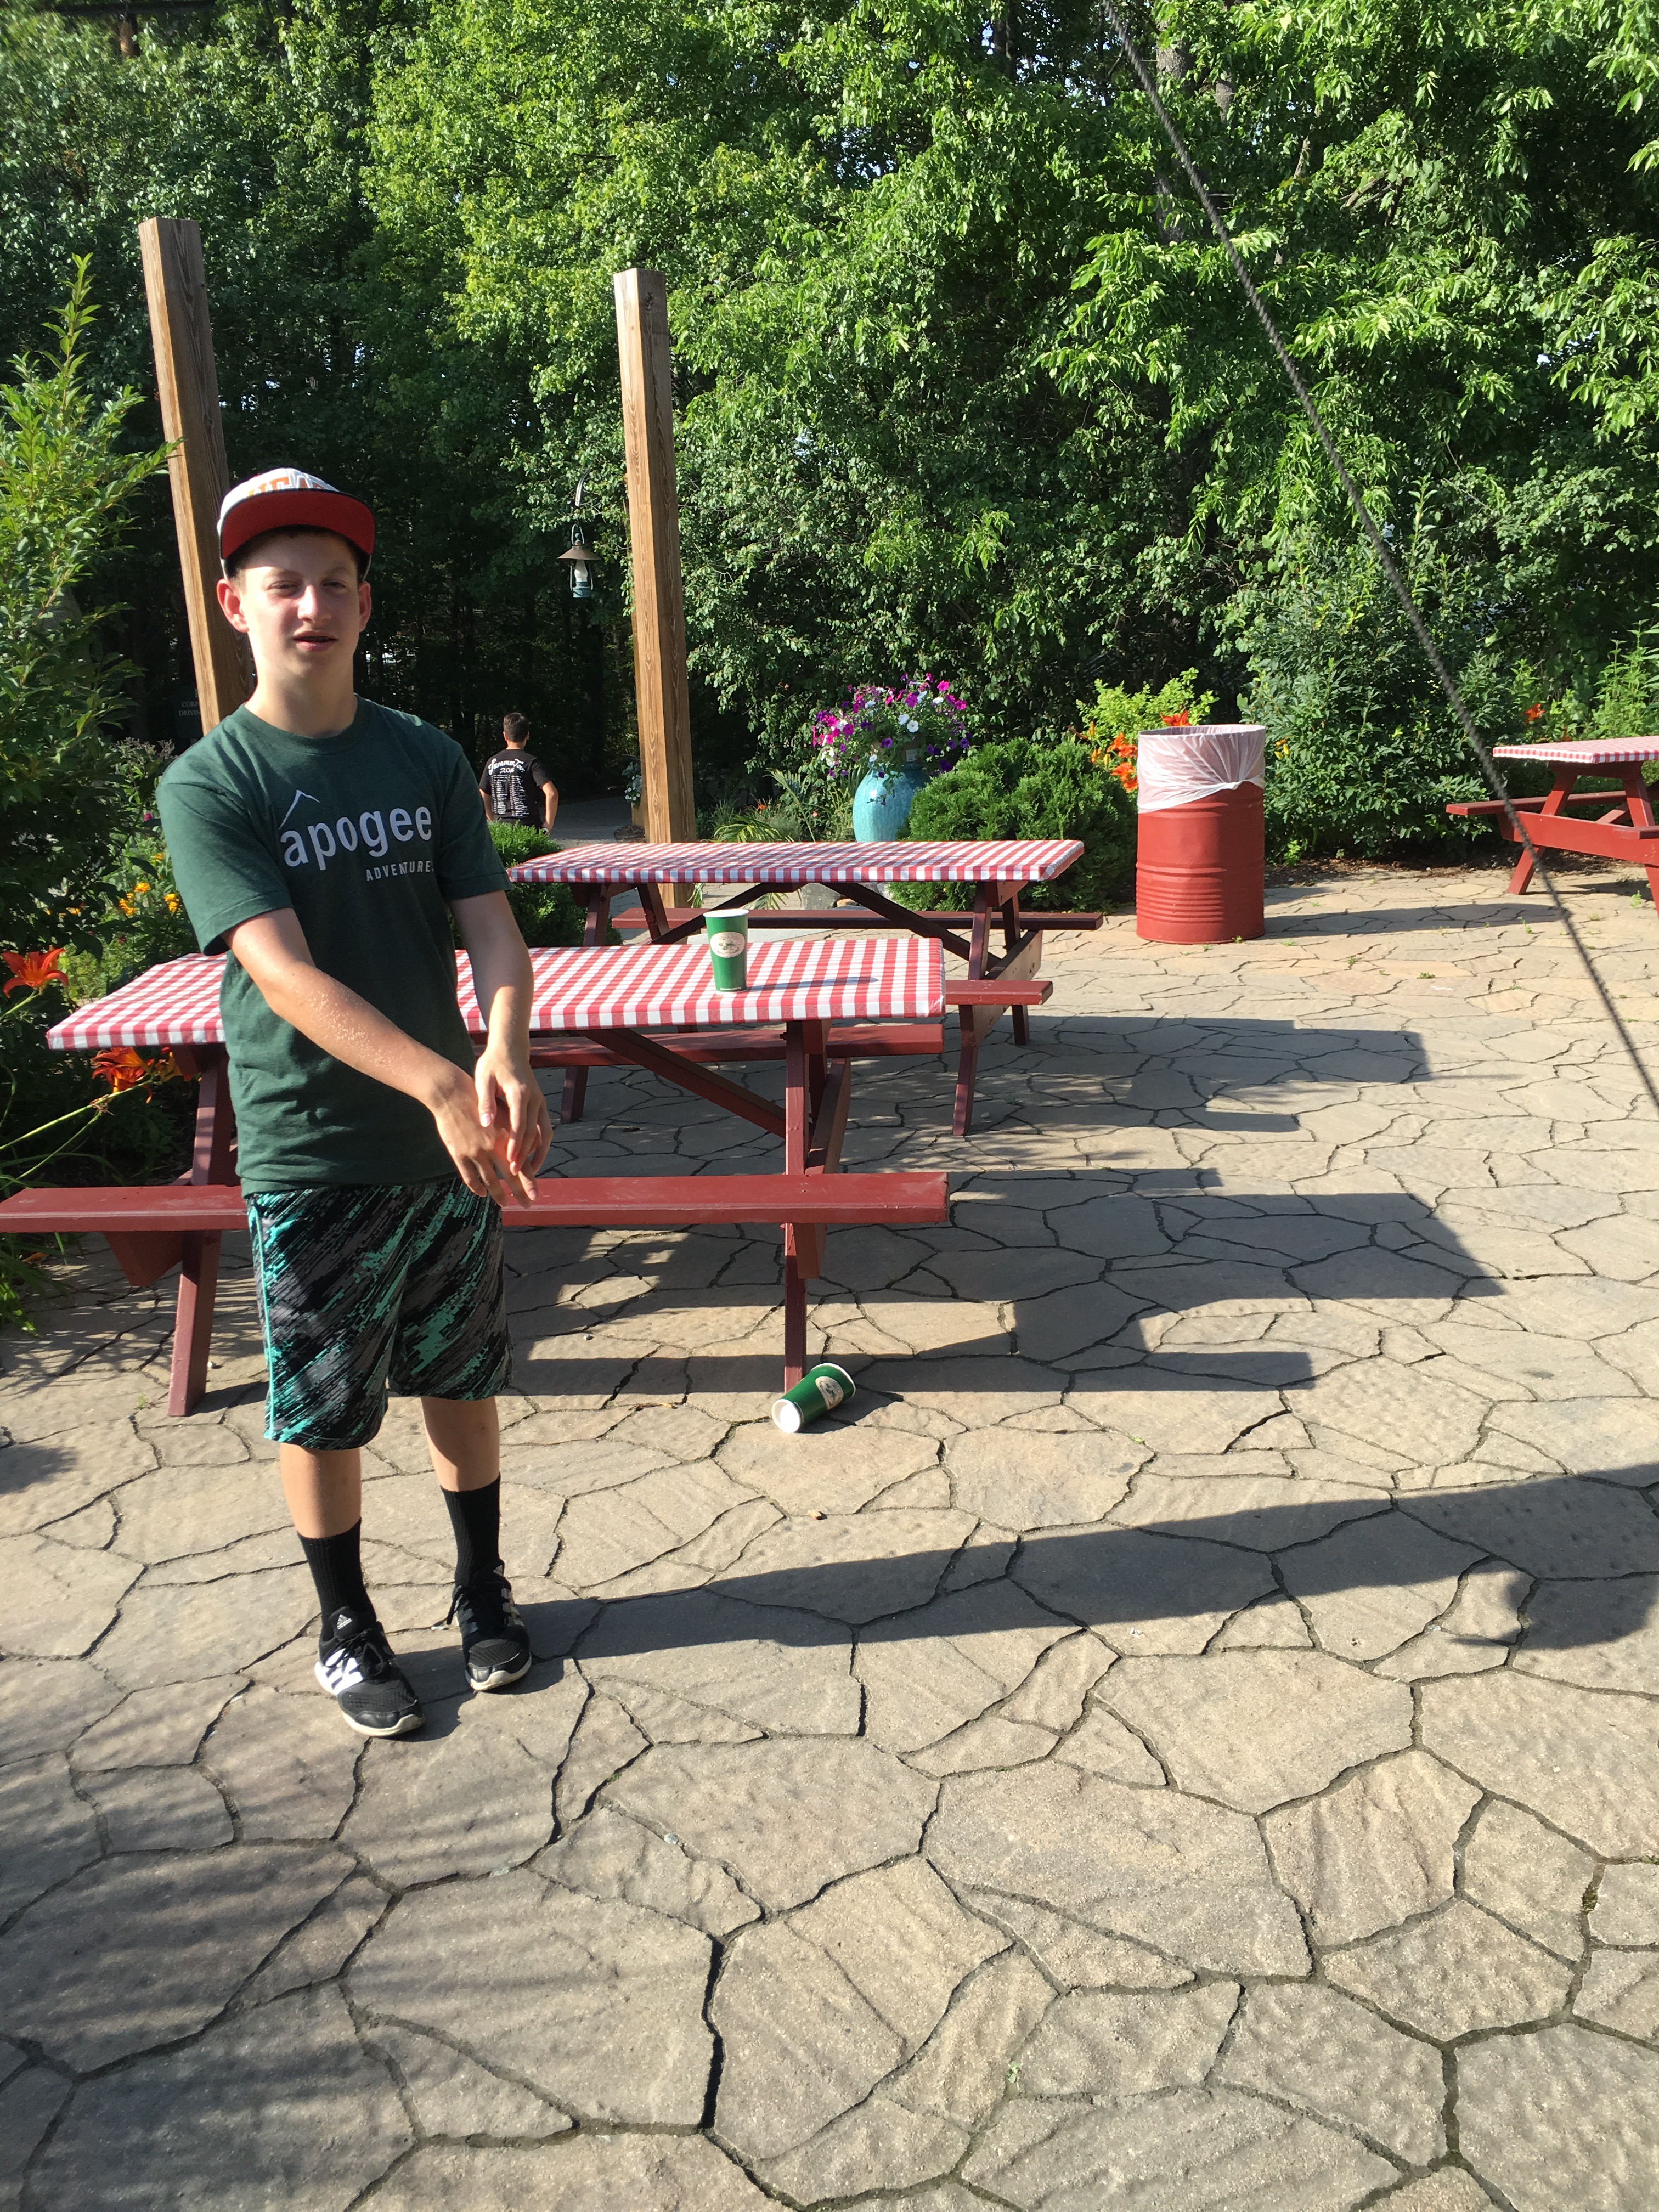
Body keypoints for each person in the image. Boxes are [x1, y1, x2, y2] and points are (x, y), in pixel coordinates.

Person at [157, 466, 555, 1740]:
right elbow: (280, 972)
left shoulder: (424, 756)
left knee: (462, 1371)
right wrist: (441, 1078)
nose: (311, 606)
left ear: (365, 604)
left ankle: (482, 1589)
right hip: (315, 1142)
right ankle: (346, 1622)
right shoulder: (211, 784)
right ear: (236, 604)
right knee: (323, 1404)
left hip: (450, 1141)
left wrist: (505, 1050)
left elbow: (490, 924)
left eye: (335, 583)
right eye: (283, 584)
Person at [479, 711, 559, 833]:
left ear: (505, 736)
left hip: (502, 830)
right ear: (527, 735)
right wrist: (548, 825)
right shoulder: (531, 762)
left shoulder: (492, 762)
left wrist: (493, 820)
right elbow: (552, 794)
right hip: (528, 829)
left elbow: (483, 795)